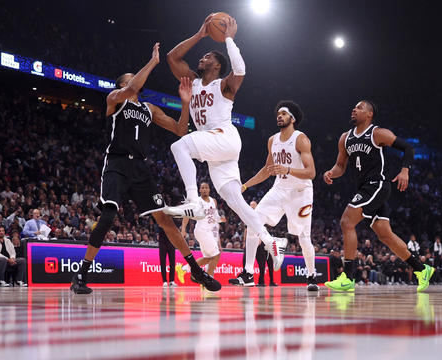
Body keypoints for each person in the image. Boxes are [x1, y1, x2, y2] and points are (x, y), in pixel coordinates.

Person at [70, 43, 221, 294]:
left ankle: (196, 270)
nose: (135, 83)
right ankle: (81, 275)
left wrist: (185, 104)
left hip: (140, 168)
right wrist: (152, 61)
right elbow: (132, 87)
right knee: (108, 216)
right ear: (121, 85)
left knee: (165, 220)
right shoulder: (115, 100)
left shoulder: (149, 109)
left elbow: (180, 131)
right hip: (117, 164)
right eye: (130, 80)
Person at [163, 14, 286, 272]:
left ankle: (193, 201)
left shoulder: (223, 85)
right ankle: (271, 240)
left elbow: (240, 69)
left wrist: (229, 38)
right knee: (234, 200)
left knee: (180, 146)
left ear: (217, 66)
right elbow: (172, 57)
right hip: (215, 150)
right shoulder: (192, 82)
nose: (202, 58)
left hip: (224, 137)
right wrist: (199, 35)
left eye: (208, 56)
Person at [323, 100, 434, 292]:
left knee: (346, 222)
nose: (354, 109)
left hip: (377, 185)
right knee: (385, 235)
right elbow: (341, 166)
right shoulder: (345, 138)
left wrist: (405, 170)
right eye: (354, 107)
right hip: (364, 188)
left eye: (359, 107)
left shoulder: (377, 133)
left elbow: (408, 148)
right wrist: (331, 172)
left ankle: (348, 278)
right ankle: (422, 269)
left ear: (369, 114)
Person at [237, 101, 318, 291]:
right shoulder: (272, 140)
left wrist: (288, 169)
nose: (279, 116)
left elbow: (311, 172)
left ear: (293, 118)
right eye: (278, 114)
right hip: (280, 188)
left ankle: (311, 275)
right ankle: (248, 273)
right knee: (252, 222)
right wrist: (246, 185)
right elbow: (268, 170)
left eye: (283, 113)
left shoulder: (301, 139)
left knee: (304, 237)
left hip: (301, 192)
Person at [180, 182, 226, 278]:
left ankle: (184, 268)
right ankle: (208, 279)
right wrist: (183, 229)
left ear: (209, 189)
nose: (204, 189)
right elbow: (187, 214)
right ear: (199, 190)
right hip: (202, 231)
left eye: (206, 187)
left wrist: (221, 219)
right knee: (216, 255)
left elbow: (215, 216)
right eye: (202, 188)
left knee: (208, 259)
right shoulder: (197, 201)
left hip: (209, 231)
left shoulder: (213, 201)